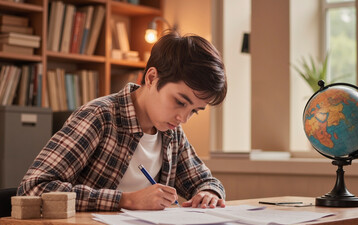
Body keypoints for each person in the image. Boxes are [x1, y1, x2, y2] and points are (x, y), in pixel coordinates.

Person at [17, 31, 227, 211]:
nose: (183, 118)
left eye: (195, 111)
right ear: (152, 78)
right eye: (180, 102)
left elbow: (204, 181)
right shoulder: (99, 116)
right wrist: (125, 200)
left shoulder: (172, 132)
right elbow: (33, 188)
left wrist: (208, 193)